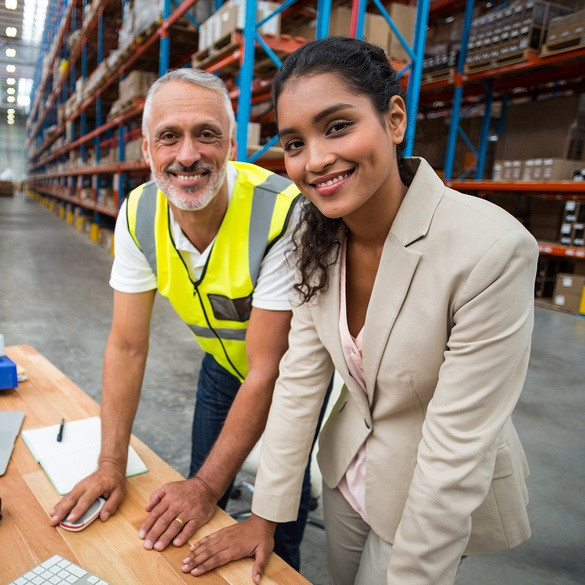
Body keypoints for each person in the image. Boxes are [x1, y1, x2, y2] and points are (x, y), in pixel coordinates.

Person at [181, 37, 538, 585]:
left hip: (429, 488)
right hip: (347, 471)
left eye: (338, 126)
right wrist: (267, 514)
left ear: (394, 119)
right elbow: (300, 378)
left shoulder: (490, 250)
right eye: (294, 143)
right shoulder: (309, 229)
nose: (315, 160)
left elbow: (453, 454)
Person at [47, 67, 322, 571]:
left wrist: (204, 487)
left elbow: (268, 370)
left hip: (293, 380)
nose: (188, 154)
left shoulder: (286, 214)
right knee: (201, 503)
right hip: (221, 366)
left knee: (276, 518)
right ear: (147, 150)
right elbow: (127, 346)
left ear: (232, 144)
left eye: (207, 135)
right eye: (169, 137)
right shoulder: (138, 215)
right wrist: (111, 464)